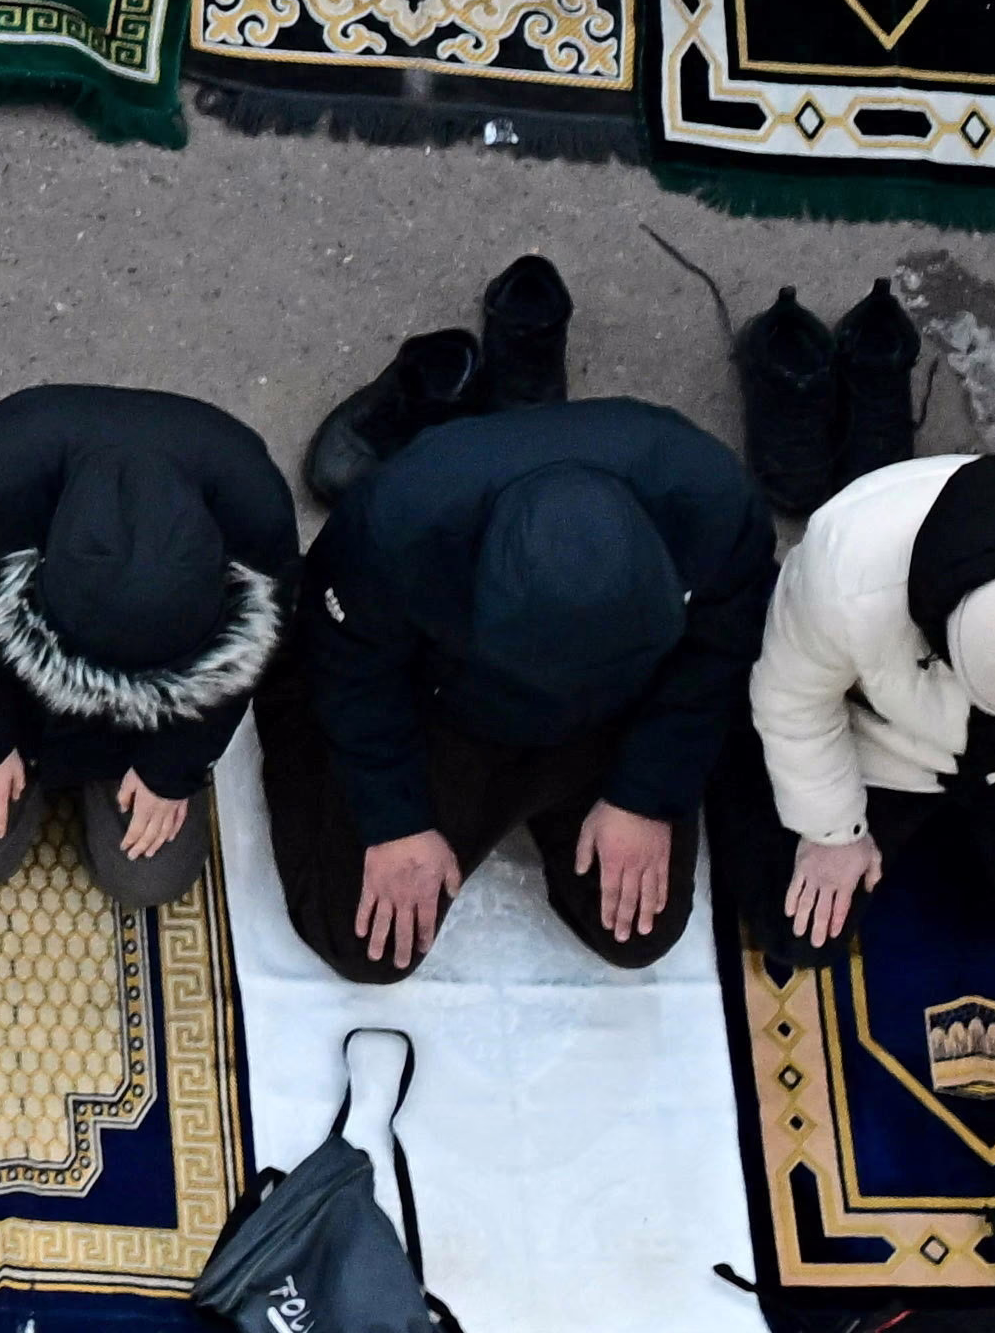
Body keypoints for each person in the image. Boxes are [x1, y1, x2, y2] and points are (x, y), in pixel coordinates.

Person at [282, 351, 760, 976]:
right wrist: (394, 819)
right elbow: (350, 666)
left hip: (616, 715)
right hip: (448, 710)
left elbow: (719, 651)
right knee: (365, 943)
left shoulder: (714, 499)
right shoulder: (399, 524)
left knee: (641, 935)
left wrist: (646, 792)